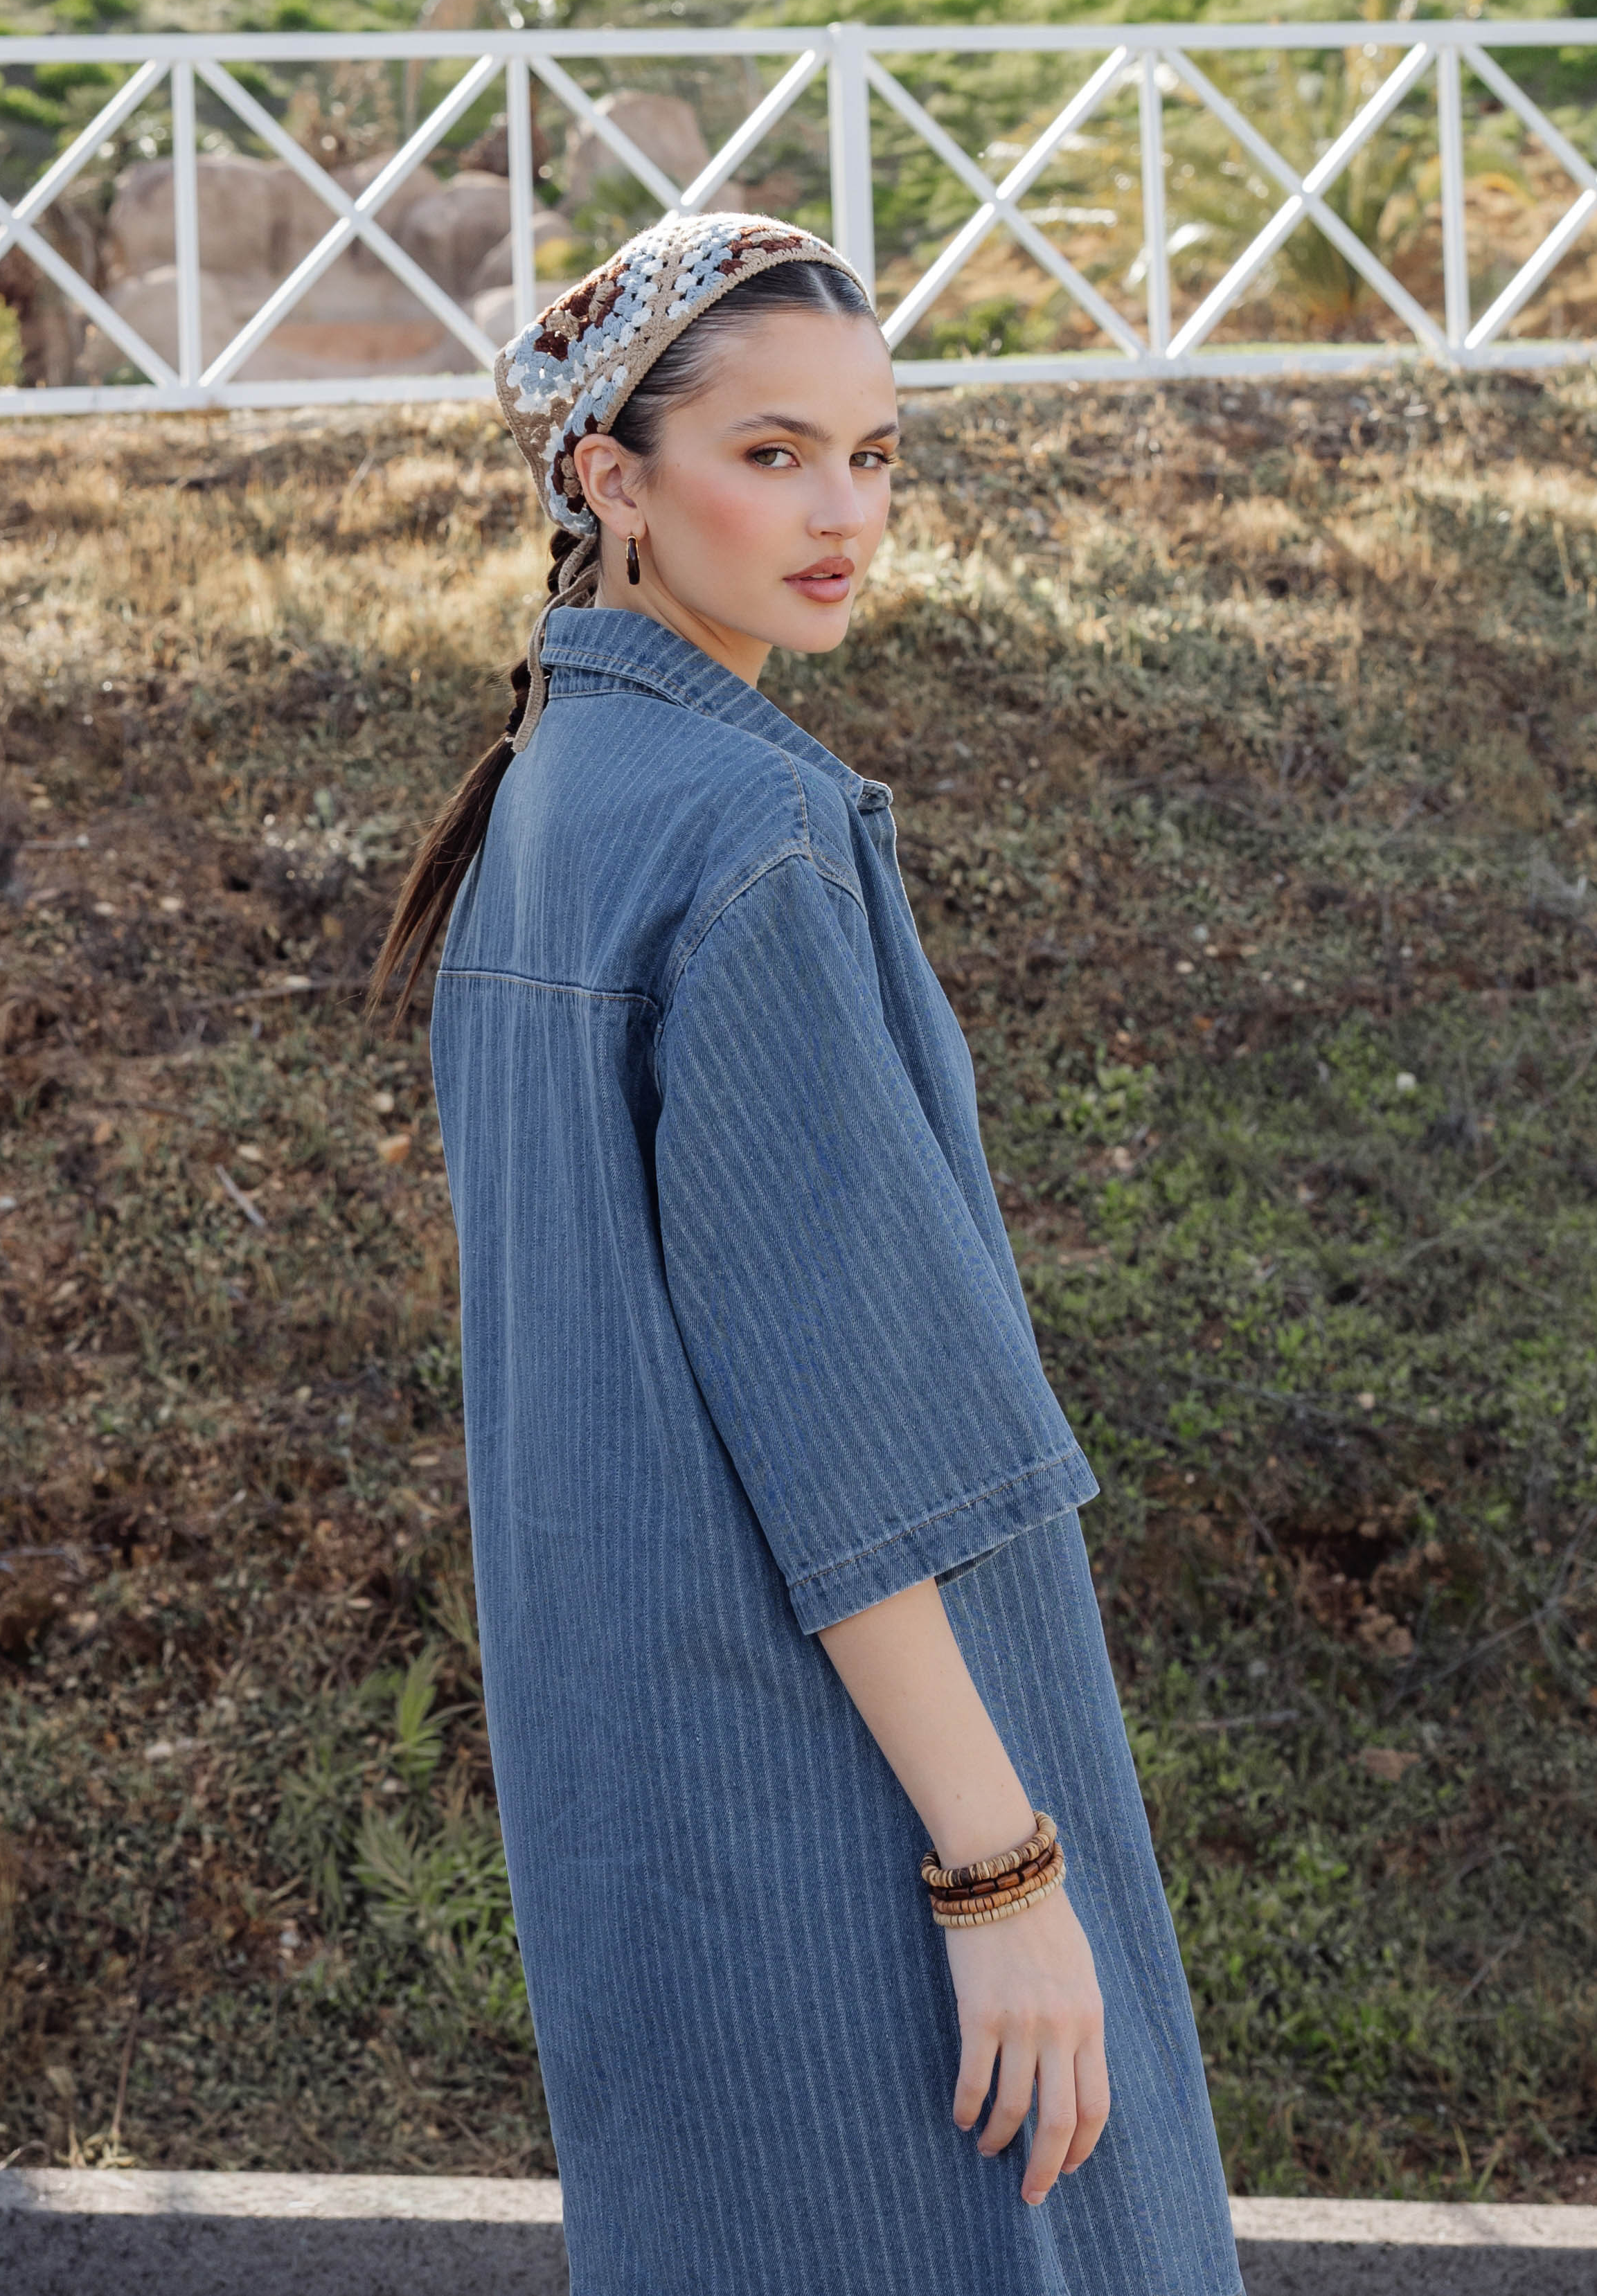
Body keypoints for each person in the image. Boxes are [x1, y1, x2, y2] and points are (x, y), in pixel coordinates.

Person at [372, 210, 1240, 2295]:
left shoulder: (557, 799)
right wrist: (1001, 1870)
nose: (843, 510)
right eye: (771, 455)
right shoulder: (744, 839)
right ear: (610, 481)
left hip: (647, 1813)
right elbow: (852, 1442)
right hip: (844, 1819)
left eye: (874, 453)